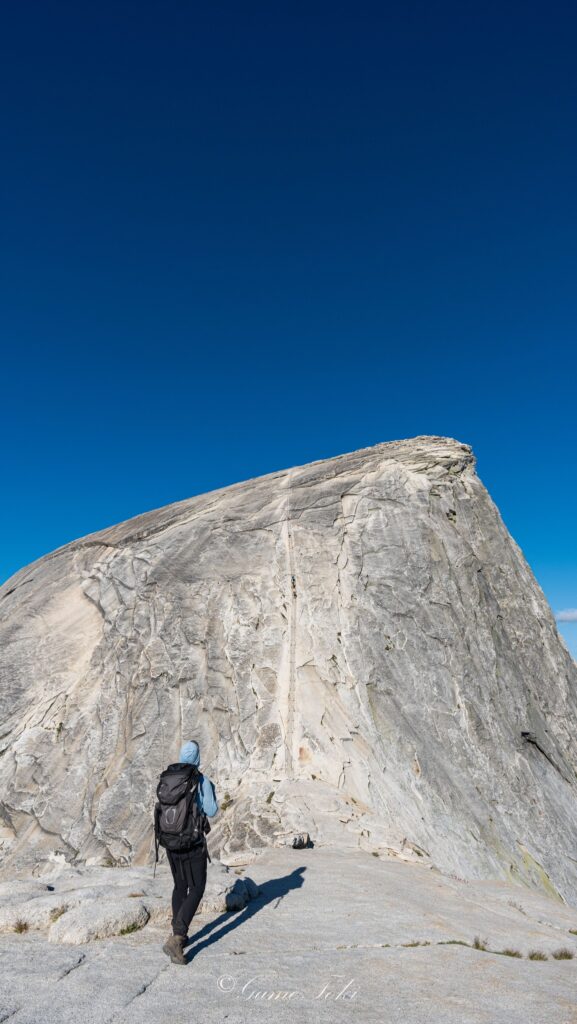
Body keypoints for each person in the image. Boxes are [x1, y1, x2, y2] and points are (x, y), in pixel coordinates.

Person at [161, 740, 218, 965]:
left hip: (170, 842)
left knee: (179, 886)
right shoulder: (200, 780)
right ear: (197, 758)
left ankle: (178, 933)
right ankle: (177, 937)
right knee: (197, 888)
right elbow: (212, 810)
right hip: (192, 843)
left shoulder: (169, 778)